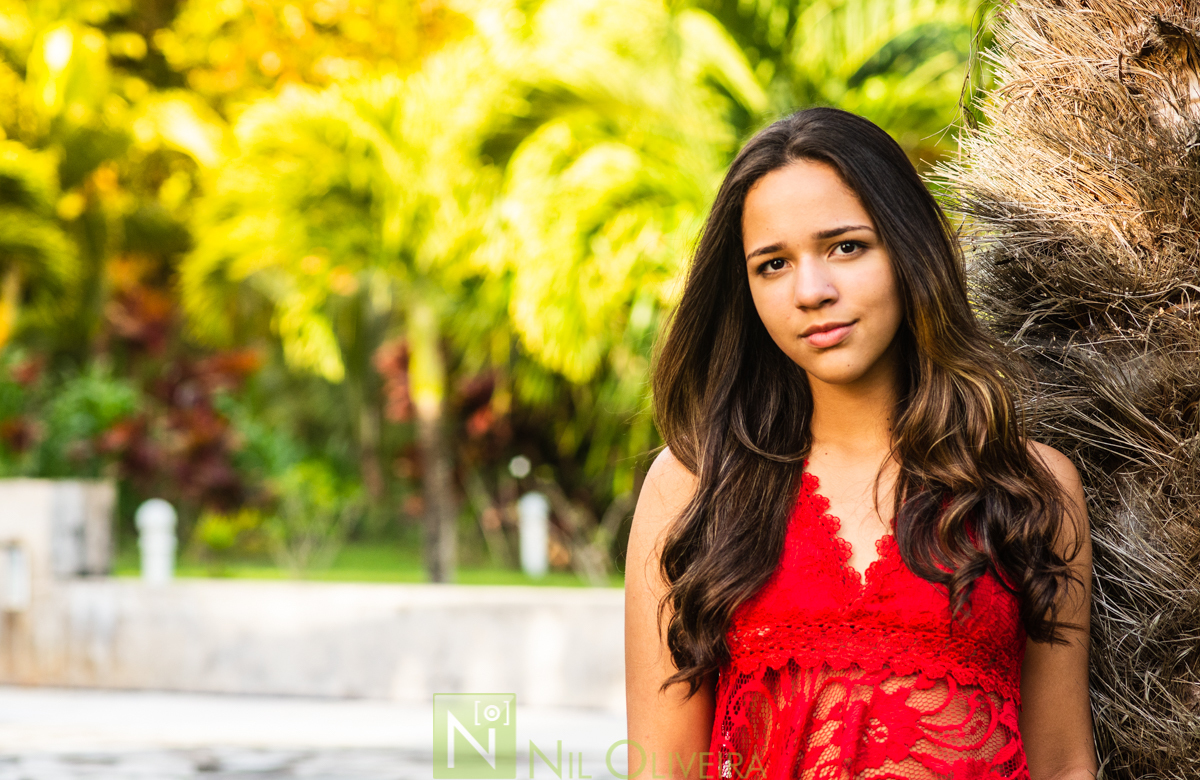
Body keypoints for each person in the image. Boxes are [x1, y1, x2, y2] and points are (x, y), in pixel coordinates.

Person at [624, 108, 1097, 780]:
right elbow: (663, 770)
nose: (811, 292)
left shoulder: (1030, 487)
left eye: (846, 247)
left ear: (908, 251)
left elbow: (1063, 764)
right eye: (773, 264)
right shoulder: (694, 487)